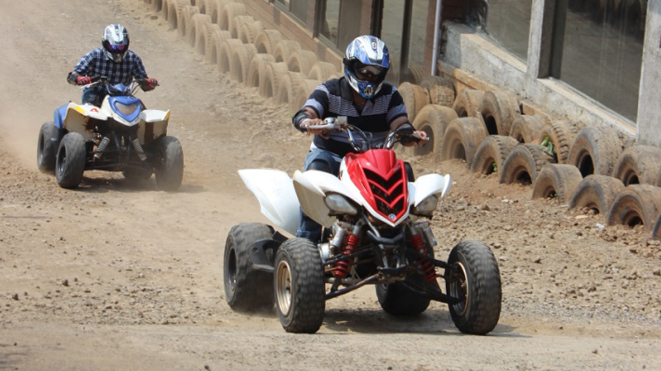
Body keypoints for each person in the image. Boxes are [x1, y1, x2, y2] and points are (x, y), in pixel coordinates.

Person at [291, 35, 428, 244]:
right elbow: (306, 112)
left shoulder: (390, 96)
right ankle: (307, 241)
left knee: (405, 170)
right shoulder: (329, 91)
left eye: (375, 73)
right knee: (316, 169)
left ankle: (407, 238)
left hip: (372, 163)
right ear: (350, 67)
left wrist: (411, 135)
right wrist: (310, 122)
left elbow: (401, 124)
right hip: (332, 158)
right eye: (363, 71)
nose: (369, 77)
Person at [67, 24, 158, 106]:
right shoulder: (94, 56)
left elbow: (144, 83)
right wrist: (79, 79)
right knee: (89, 111)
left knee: (140, 111)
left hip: (123, 97)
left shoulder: (133, 59)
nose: (117, 50)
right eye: (113, 47)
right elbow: (73, 76)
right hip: (96, 93)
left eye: (121, 47)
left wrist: (150, 83)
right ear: (105, 43)